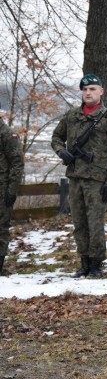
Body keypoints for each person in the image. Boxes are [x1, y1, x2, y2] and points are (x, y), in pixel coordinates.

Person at [51, 74, 107, 277]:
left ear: (101, 91)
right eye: (85, 90)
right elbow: (56, 138)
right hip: (75, 177)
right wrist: (62, 152)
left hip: (97, 180)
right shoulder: (72, 115)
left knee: (95, 224)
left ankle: (96, 264)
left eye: (92, 89)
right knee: (79, 223)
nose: (88, 93)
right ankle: (84, 261)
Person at [0, 114, 24, 275]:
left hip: (2, 190)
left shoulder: (7, 134)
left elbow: (17, 163)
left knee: (1, 228)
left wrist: (11, 190)